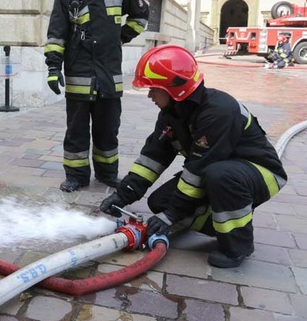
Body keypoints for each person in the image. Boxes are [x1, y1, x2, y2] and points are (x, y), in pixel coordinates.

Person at [100, 45, 287, 268]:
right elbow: (152, 159)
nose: (150, 95)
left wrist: (170, 217)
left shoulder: (218, 112)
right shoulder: (172, 114)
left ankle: (238, 246)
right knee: (159, 202)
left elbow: (197, 170)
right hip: (212, 171)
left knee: (220, 176)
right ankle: (216, 222)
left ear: (173, 89)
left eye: (153, 89)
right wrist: (123, 195)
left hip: (259, 173)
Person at [44, 0, 149, 193]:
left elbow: (141, 15)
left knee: (107, 131)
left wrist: (121, 37)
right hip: (79, 76)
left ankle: (107, 174)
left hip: (109, 78)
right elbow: (56, 35)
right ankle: (76, 177)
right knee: (76, 131)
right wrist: (53, 70)